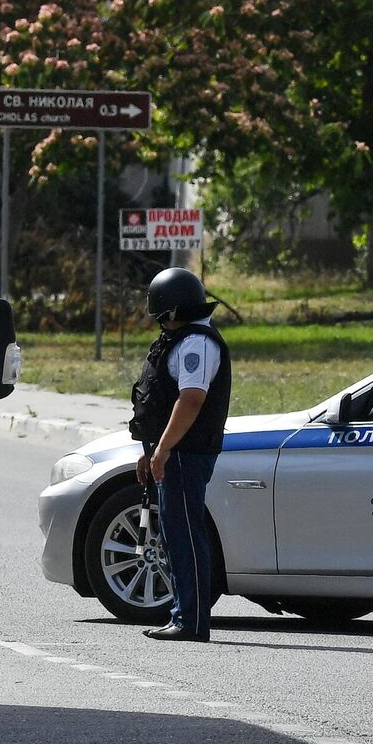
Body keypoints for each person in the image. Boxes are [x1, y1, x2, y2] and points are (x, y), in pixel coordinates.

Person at [128, 267, 232, 643]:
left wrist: (166, 447)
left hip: (187, 453)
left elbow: (191, 400)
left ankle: (191, 620)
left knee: (185, 535)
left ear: (172, 311)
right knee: (175, 534)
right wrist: (153, 449)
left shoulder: (196, 344)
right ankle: (184, 614)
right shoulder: (183, 339)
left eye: (160, 314)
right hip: (175, 451)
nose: (158, 321)